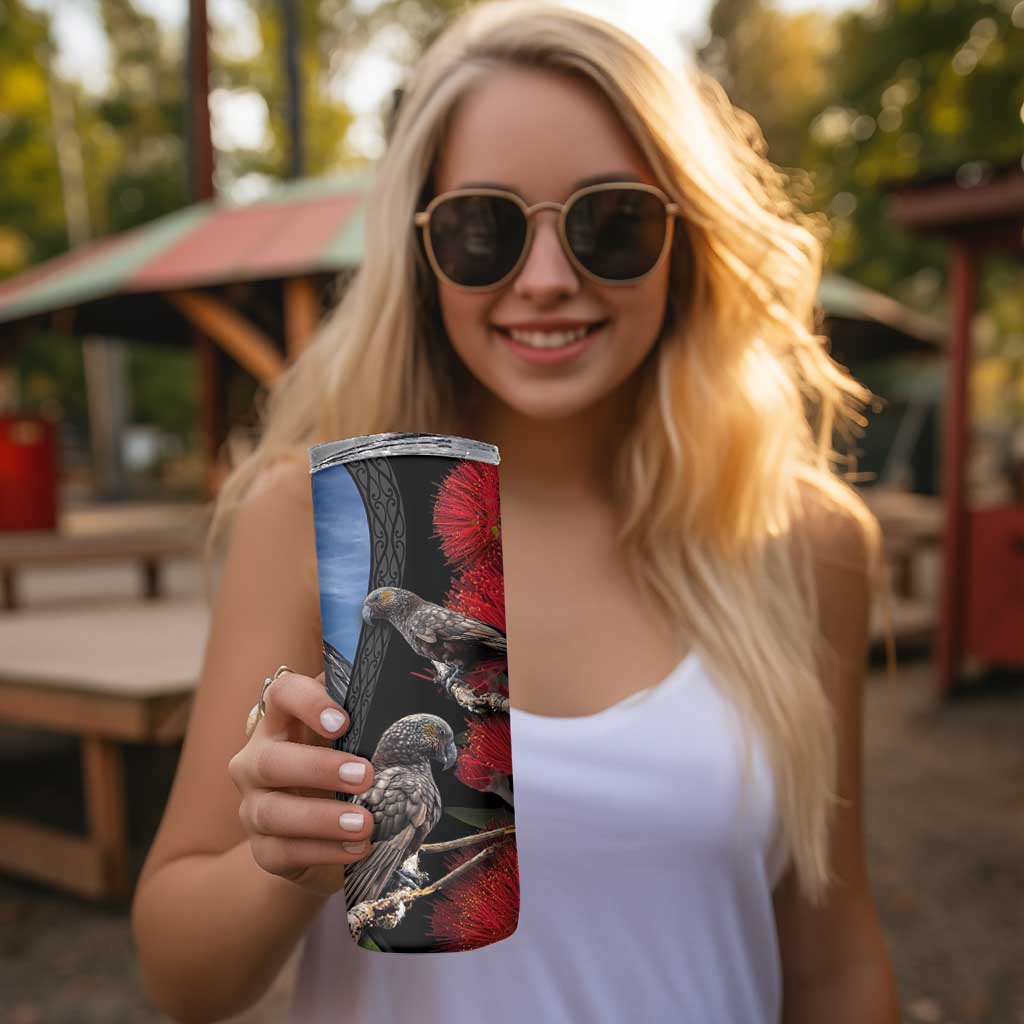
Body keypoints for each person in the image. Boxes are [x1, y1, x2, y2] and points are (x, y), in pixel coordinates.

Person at [131, 2, 902, 1021]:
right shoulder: (327, 520)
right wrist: (284, 856)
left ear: (687, 241)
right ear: (419, 251)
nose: (546, 280)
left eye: (611, 222)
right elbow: (180, 976)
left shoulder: (803, 542)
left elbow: (833, 960)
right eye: (483, 227)